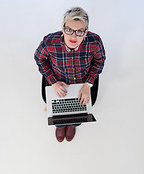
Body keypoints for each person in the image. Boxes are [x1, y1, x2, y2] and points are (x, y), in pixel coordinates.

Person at [34, 7, 106, 142]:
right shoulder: (49, 42)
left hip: (83, 83)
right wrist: (53, 82)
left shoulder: (94, 42)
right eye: (69, 30)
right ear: (63, 28)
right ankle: (60, 125)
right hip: (57, 82)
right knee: (57, 112)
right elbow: (39, 58)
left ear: (86, 32)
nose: (73, 36)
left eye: (80, 32)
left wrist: (88, 85)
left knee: (79, 111)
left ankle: (73, 124)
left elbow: (99, 61)